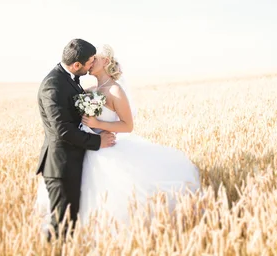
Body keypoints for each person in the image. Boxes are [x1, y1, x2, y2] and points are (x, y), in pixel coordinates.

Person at [36, 43, 200, 231]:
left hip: (104, 149)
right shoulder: (87, 90)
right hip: (84, 151)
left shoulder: (115, 90)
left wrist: (98, 125)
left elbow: (127, 125)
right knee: (79, 205)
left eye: (94, 59)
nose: (91, 63)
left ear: (105, 61)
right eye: (89, 60)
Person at [35, 39, 116, 240]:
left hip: (72, 162)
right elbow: (63, 129)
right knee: (60, 225)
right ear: (77, 65)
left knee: (70, 223)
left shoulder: (69, 78)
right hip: (61, 166)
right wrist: (98, 142)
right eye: (90, 62)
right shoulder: (53, 85)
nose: (92, 65)